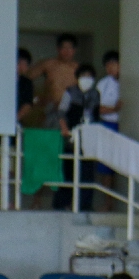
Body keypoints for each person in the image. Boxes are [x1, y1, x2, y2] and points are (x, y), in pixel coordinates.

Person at [0, 48, 33, 209]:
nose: (22, 66)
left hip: (12, 133)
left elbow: (28, 105)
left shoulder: (26, 83)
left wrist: (12, 120)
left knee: (8, 170)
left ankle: (7, 200)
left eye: (25, 63)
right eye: (20, 62)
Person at [53, 63, 100, 211]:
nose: (87, 79)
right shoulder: (70, 92)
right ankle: (62, 204)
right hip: (71, 137)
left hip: (89, 137)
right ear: (77, 78)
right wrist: (65, 128)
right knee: (68, 170)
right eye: (84, 76)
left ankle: (85, 205)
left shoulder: (95, 94)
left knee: (87, 171)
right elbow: (61, 112)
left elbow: (96, 115)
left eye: (90, 77)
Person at [28, 34, 80, 128]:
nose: (67, 51)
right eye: (64, 48)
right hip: (50, 109)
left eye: (70, 48)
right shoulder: (48, 64)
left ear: (74, 50)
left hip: (70, 111)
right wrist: (35, 99)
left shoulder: (78, 69)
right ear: (58, 49)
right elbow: (26, 79)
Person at [94, 50, 122, 211]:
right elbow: (97, 109)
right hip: (108, 125)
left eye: (114, 64)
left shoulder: (129, 82)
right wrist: (114, 109)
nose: (111, 68)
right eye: (108, 65)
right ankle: (108, 202)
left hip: (124, 127)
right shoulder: (103, 84)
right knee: (106, 167)